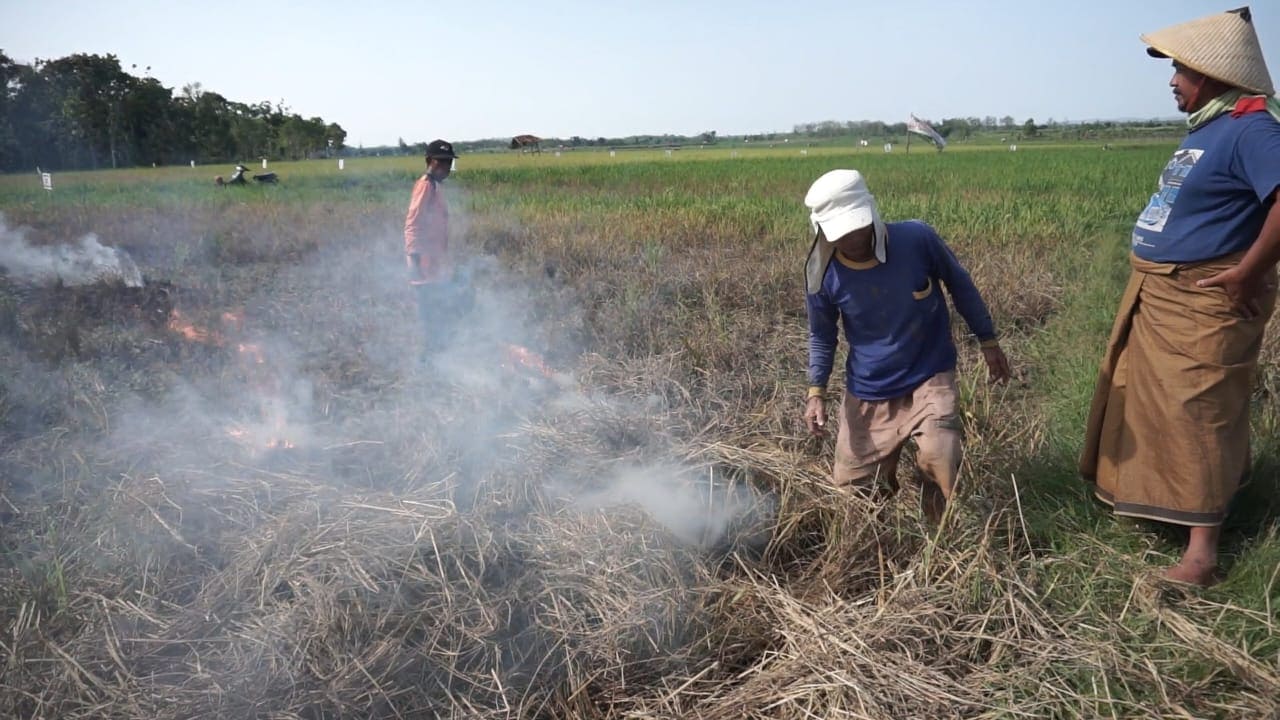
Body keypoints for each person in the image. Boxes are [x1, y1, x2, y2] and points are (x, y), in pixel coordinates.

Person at [1080, 7, 1280, 586]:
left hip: (1203, 298)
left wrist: (1245, 274)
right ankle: (1168, 505)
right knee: (1151, 401)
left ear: (1212, 75)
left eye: (1180, 71)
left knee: (1198, 410)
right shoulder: (1215, 127)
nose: (1172, 80)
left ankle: (1203, 556)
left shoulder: (1255, 129)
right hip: (1161, 292)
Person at [802, 169, 1011, 522]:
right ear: (821, 228)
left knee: (939, 458)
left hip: (929, 374)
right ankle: (875, 545)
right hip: (869, 387)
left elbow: (961, 286)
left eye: (858, 226)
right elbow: (822, 335)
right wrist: (816, 392)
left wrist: (988, 340)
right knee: (854, 493)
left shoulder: (917, 239)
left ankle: (938, 537)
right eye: (843, 231)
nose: (853, 237)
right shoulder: (822, 276)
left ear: (871, 212)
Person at [404, 139, 459, 358]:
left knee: (439, 314)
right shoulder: (425, 185)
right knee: (430, 318)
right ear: (429, 161)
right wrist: (414, 260)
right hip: (423, 266)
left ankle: (438, 359)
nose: (446, 167)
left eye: (448, 163)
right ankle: (427, 366)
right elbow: (412, 224)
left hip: (434, 265)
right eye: (441, 162)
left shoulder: (435, 186)